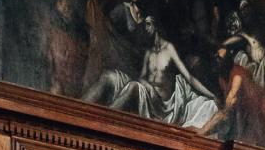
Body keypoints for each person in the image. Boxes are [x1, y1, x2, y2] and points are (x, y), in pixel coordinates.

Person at [84, 16, 218, 129]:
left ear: (156, 27)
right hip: (149, 94)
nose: (146, 28)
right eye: (145, 25)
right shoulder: (149, 53)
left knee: (133, 87)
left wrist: (212, 94)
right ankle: (78, 112)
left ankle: (99, 123)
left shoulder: (169, 48)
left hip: (162, 105)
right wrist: (148, 86)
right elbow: (142, 77)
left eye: (148, 24)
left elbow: (189, 77)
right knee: (110, 76)